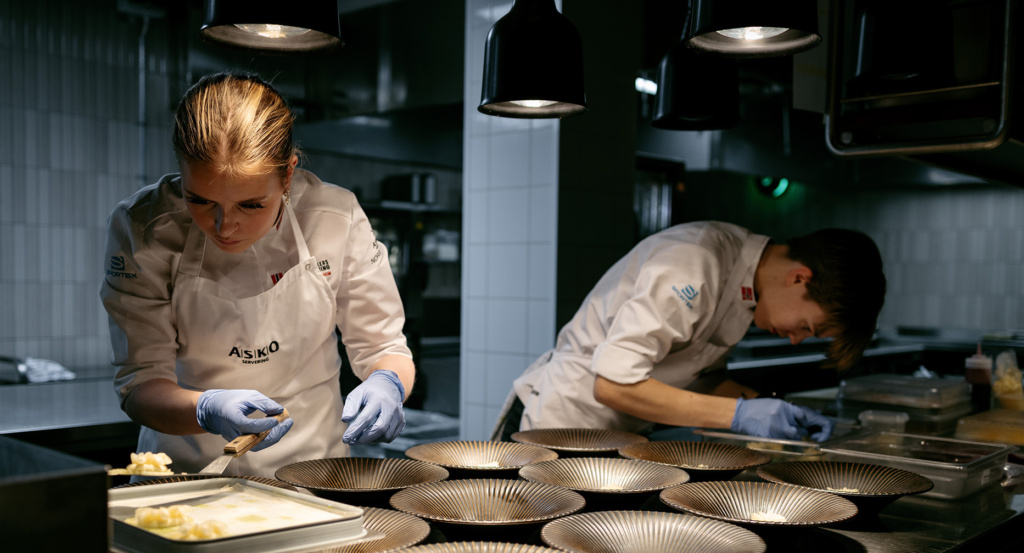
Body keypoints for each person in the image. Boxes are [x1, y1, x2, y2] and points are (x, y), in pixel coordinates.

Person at [101, 72, 415, 478]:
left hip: (314, 472)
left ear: (288, 175)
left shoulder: (335, 218)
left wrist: (388, 382)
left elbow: (384, 345)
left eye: (250, 205)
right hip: (185, 478)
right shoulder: (143, 229)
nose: (224, 225)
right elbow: (140, 384)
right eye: (199, 200)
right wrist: (205, 408)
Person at [492, 221, 885, 443]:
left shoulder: (747, 291)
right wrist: (739, 414)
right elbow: (612, 385)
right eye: (806, 327)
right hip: (557, 426)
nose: (796, 338)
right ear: (800, 278)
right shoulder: (696, 261)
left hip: (617, 436)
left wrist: (773, 410)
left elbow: (700, 379)